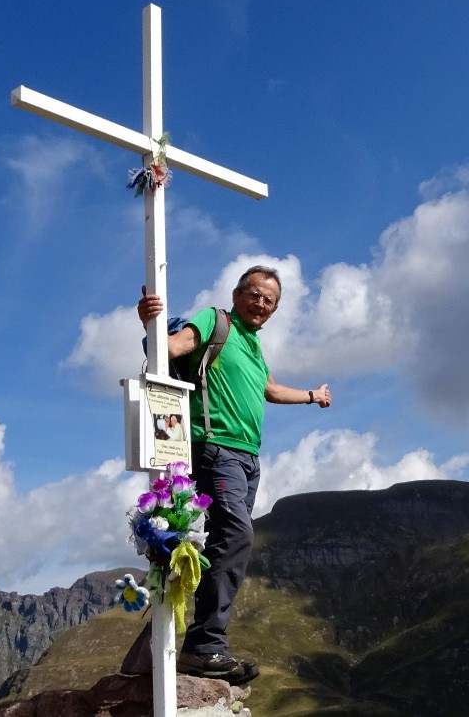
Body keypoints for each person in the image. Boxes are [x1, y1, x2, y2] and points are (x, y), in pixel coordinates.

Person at [138, 264, 331, 685]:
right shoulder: (215, 320)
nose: (261, 303)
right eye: (255, 294)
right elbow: (175, 347)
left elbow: (270, 389)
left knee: (227, 543)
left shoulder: (255, 347)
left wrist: (312, 396)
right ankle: (204, 645)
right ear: (237, 293)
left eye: (270, 300)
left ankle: (201, 643)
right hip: (214, 448)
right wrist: (150, 324)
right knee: (237, 533)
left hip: (248, 460)